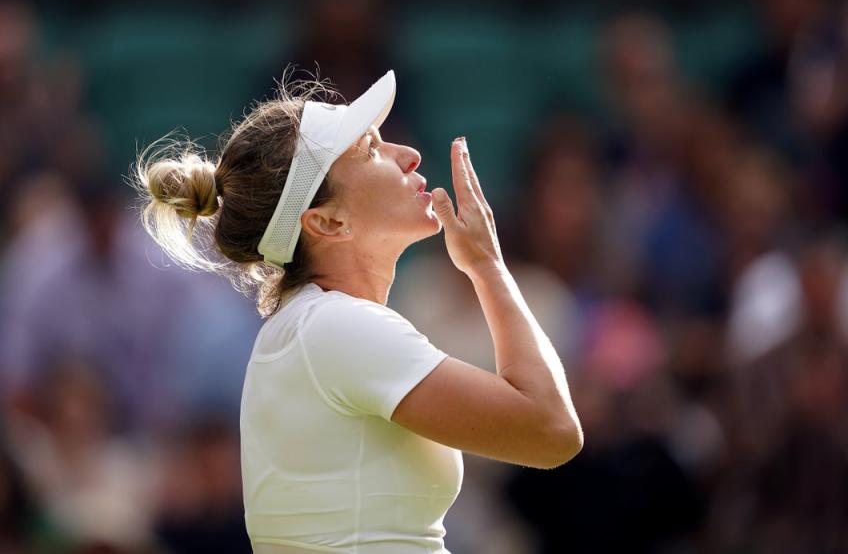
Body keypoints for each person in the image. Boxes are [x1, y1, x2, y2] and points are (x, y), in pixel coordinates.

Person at [130, 69, 583, 553]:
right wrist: (488, 267)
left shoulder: (318, 325)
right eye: (370, 150)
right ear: (327, 221)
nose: (406, 156)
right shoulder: (338, 328)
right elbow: (551, 429)